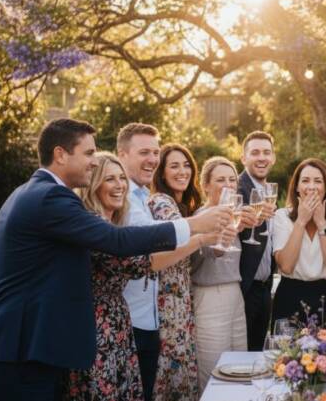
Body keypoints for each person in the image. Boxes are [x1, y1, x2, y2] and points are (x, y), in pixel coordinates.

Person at [0, 119, 230, 401]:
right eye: (88, 153)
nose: (94, 162)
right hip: (23, 352)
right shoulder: (51, 197)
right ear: (60, 154)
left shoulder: (25, 193)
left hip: (26, 346)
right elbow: (117, 241)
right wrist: (193, 225)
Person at [66, 153, 220, 400]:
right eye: (109, 179)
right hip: (96, 329)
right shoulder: (92, 224)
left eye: (121, 179)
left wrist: (201, 238)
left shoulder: (113, 223)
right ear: (94, 185)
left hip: (119, 324)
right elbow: (142, 263)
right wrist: (198, 232)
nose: (119, 186)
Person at [192, 156, 256, 391]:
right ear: (206, 185)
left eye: (232, 179)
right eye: (220, 179)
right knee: (213, 373)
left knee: (239, 368)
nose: (228, 184)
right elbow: (207, 255)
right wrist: (226, 235)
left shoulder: (232, 215)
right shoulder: (201, 216)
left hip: (234, 294)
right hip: (209, 298)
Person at [148, 143, 203, 401]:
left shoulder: (183, 206)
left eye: (186, 165)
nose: (182, 171)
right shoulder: (161, 201)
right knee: (172, 373)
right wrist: (210, 232)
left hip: (180, 299)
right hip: (168, 301)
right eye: (174, 166)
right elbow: (180, 241)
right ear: (162, 172)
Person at [117, 123, 163, 401]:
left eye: (156, 152)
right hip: (129, 321)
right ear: (122, 154)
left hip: (149, 319)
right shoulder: (121, 199)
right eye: (144, 152)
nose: (153, 159)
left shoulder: (143, 196)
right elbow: (148, 254)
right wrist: (201, 233)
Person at [271, 158, 326, 322]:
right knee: (286, 347)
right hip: (290, 295)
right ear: (297, 187)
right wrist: (301, 221)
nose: (311, 186)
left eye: (318, 181)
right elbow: (286, 266)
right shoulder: (282, 217)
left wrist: (321, 224)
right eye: (305, 181)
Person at [236, 131, 278, 350]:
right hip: (244, 286)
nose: (261, 158)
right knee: (244, 353)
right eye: (255, 153)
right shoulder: (236, 188)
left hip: (265, 287)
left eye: (266, 152)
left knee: (258, 349)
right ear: (244, 158)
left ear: (273, 158)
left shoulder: (269, 191)